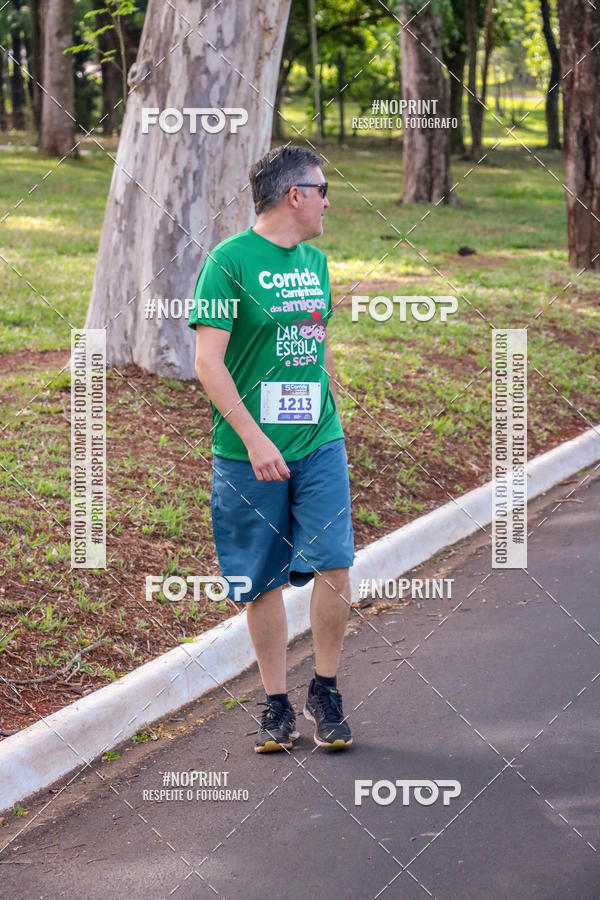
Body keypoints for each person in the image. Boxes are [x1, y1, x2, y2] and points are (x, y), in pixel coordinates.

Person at [189, 145, 354, 753]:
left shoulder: (315, 262)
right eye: (321, 189)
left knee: (335, 562)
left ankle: (327, 690)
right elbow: (208, 363)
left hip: (317, 441)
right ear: (295, 196)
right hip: (247, 451)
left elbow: (318, 336)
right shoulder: (228, 263)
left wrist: (332, 392)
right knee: (260, 581)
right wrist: (255, 439)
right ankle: (276, 703)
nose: (327, 201)